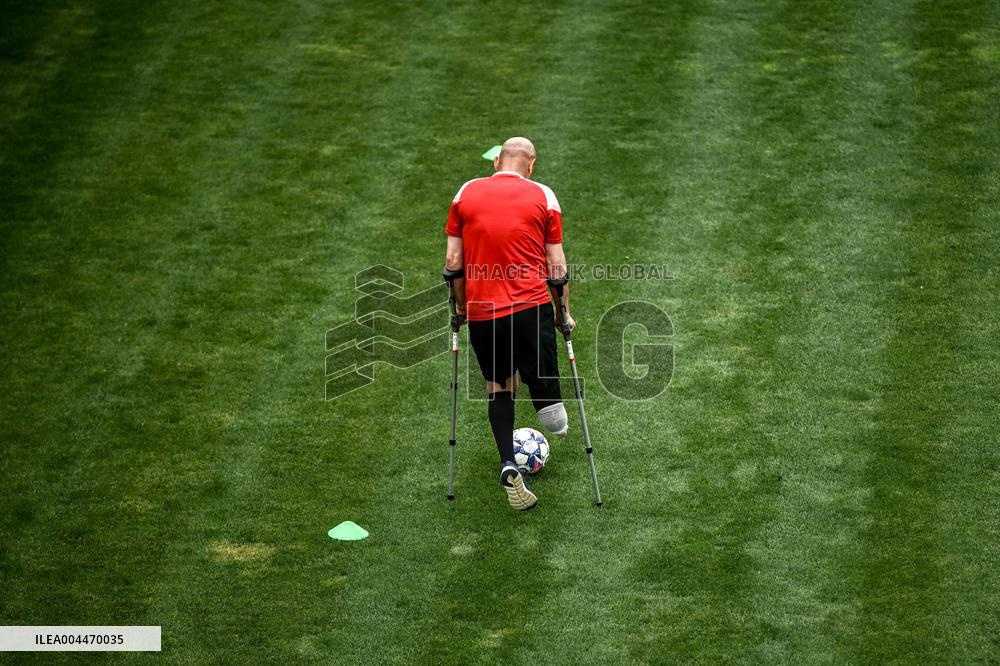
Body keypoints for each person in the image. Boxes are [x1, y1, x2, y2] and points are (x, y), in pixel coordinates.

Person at [442, 137, 575, 511]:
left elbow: (454, 260)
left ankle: (506, 461)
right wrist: (563, 312)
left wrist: (461, 307)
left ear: (497, 161)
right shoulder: (543, 195)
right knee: (541, 374)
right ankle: (548, 404)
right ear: (530, 166)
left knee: (498, 386)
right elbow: (557, 267)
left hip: (485, 311)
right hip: (531, 307)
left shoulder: (466, 192)